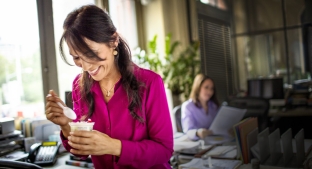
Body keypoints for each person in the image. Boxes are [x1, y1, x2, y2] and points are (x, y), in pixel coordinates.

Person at [45, 5, 173, 169]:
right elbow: (81, 151)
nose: (85, 66)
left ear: (113, 41)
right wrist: (65, 125)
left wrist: (113, 146)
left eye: (91, 53)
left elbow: (164, 150)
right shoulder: (80, 86)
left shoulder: (150, 83)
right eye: (76, 57)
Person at [181, 74, 220, 140]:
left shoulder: (213, 105)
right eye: (206, 87)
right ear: (198, 87)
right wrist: (197, 133)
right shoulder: (188, 106)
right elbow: (188, 131)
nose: (209, 91)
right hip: (199, 143)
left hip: (215, 140)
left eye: (211, 88)